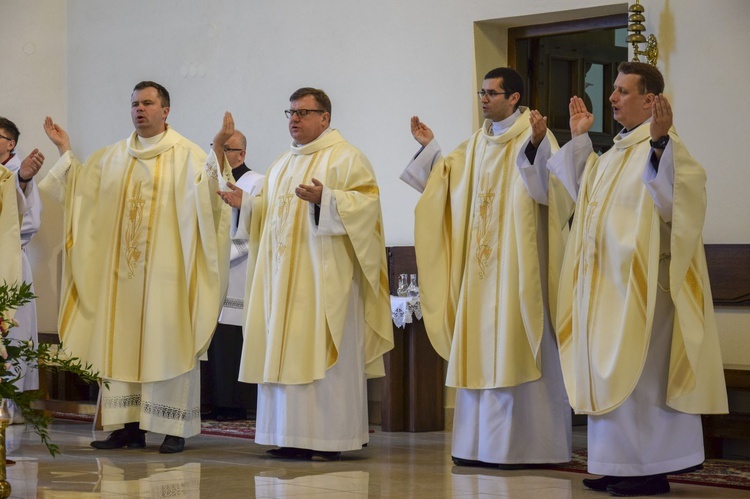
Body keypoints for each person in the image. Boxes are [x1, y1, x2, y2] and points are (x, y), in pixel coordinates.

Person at [547, 61, 728, 496]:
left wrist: (663, 142)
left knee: (640, 379)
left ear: (652, 101)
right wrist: (578, 139)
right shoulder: (612, 154)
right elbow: (582, 193)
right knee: (607, 375)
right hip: (604, 288)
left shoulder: (665, 150)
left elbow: (677, 203)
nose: (612, 98)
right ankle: (616, 463)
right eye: (614, 90)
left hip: (646, 291)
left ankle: (650, 469)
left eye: (623, 91)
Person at [40, 81, 232, 454]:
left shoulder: (188, 155)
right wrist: (64, 149)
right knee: (120, 344)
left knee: (169, 343)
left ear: (166, 110)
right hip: (121, 279)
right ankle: (126, 427)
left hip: (168, 278)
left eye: (147, 103)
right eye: (134, 104)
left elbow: (211, 201)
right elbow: (81, 193)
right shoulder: (110, 157)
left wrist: (219, 149)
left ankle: (173, 427)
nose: (139, 109)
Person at [400, 67, 574, 468]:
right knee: (479, 347)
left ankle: (531, 448)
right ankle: (475, 446)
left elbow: (553, 194)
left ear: (514, 98)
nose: (484, 99)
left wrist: (534, 147)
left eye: (492, 93)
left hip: (519, 267)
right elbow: (445, 181)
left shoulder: (537, 137)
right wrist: (430, 149)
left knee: (520, 340)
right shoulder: (476, 143)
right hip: (480, 273)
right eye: (481, 92)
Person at [218, 88, 393, 460]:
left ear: (325, 118)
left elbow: (368, 208)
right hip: (283, 283)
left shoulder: (347, 159)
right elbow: (271, 214)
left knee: (321, 357)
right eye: (291, 113)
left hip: (325, 283)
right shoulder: (283, 163)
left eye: (303, 113)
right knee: (284, 353)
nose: (294, 120)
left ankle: (329, 440)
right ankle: (289, 435)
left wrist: (326, 201)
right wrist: (247, 205)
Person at [204, 129, 263, 421]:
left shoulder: (256, 182)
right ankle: (213, 399)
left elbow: (252, 227)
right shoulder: (209, 181)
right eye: (217, 148)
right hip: (213, 271)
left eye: (227, 149)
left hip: (238, 269)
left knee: (231, 340)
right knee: (212, 340)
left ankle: (234, 403)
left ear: (241, 154)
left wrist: (217, 256)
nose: (222, 154)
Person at [0, 117, 44, 423]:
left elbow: (30, 222)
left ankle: (9, 406)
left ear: (10, 143)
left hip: (10, 262)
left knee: (12, 334)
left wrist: (23, 181)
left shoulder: (17, 172)